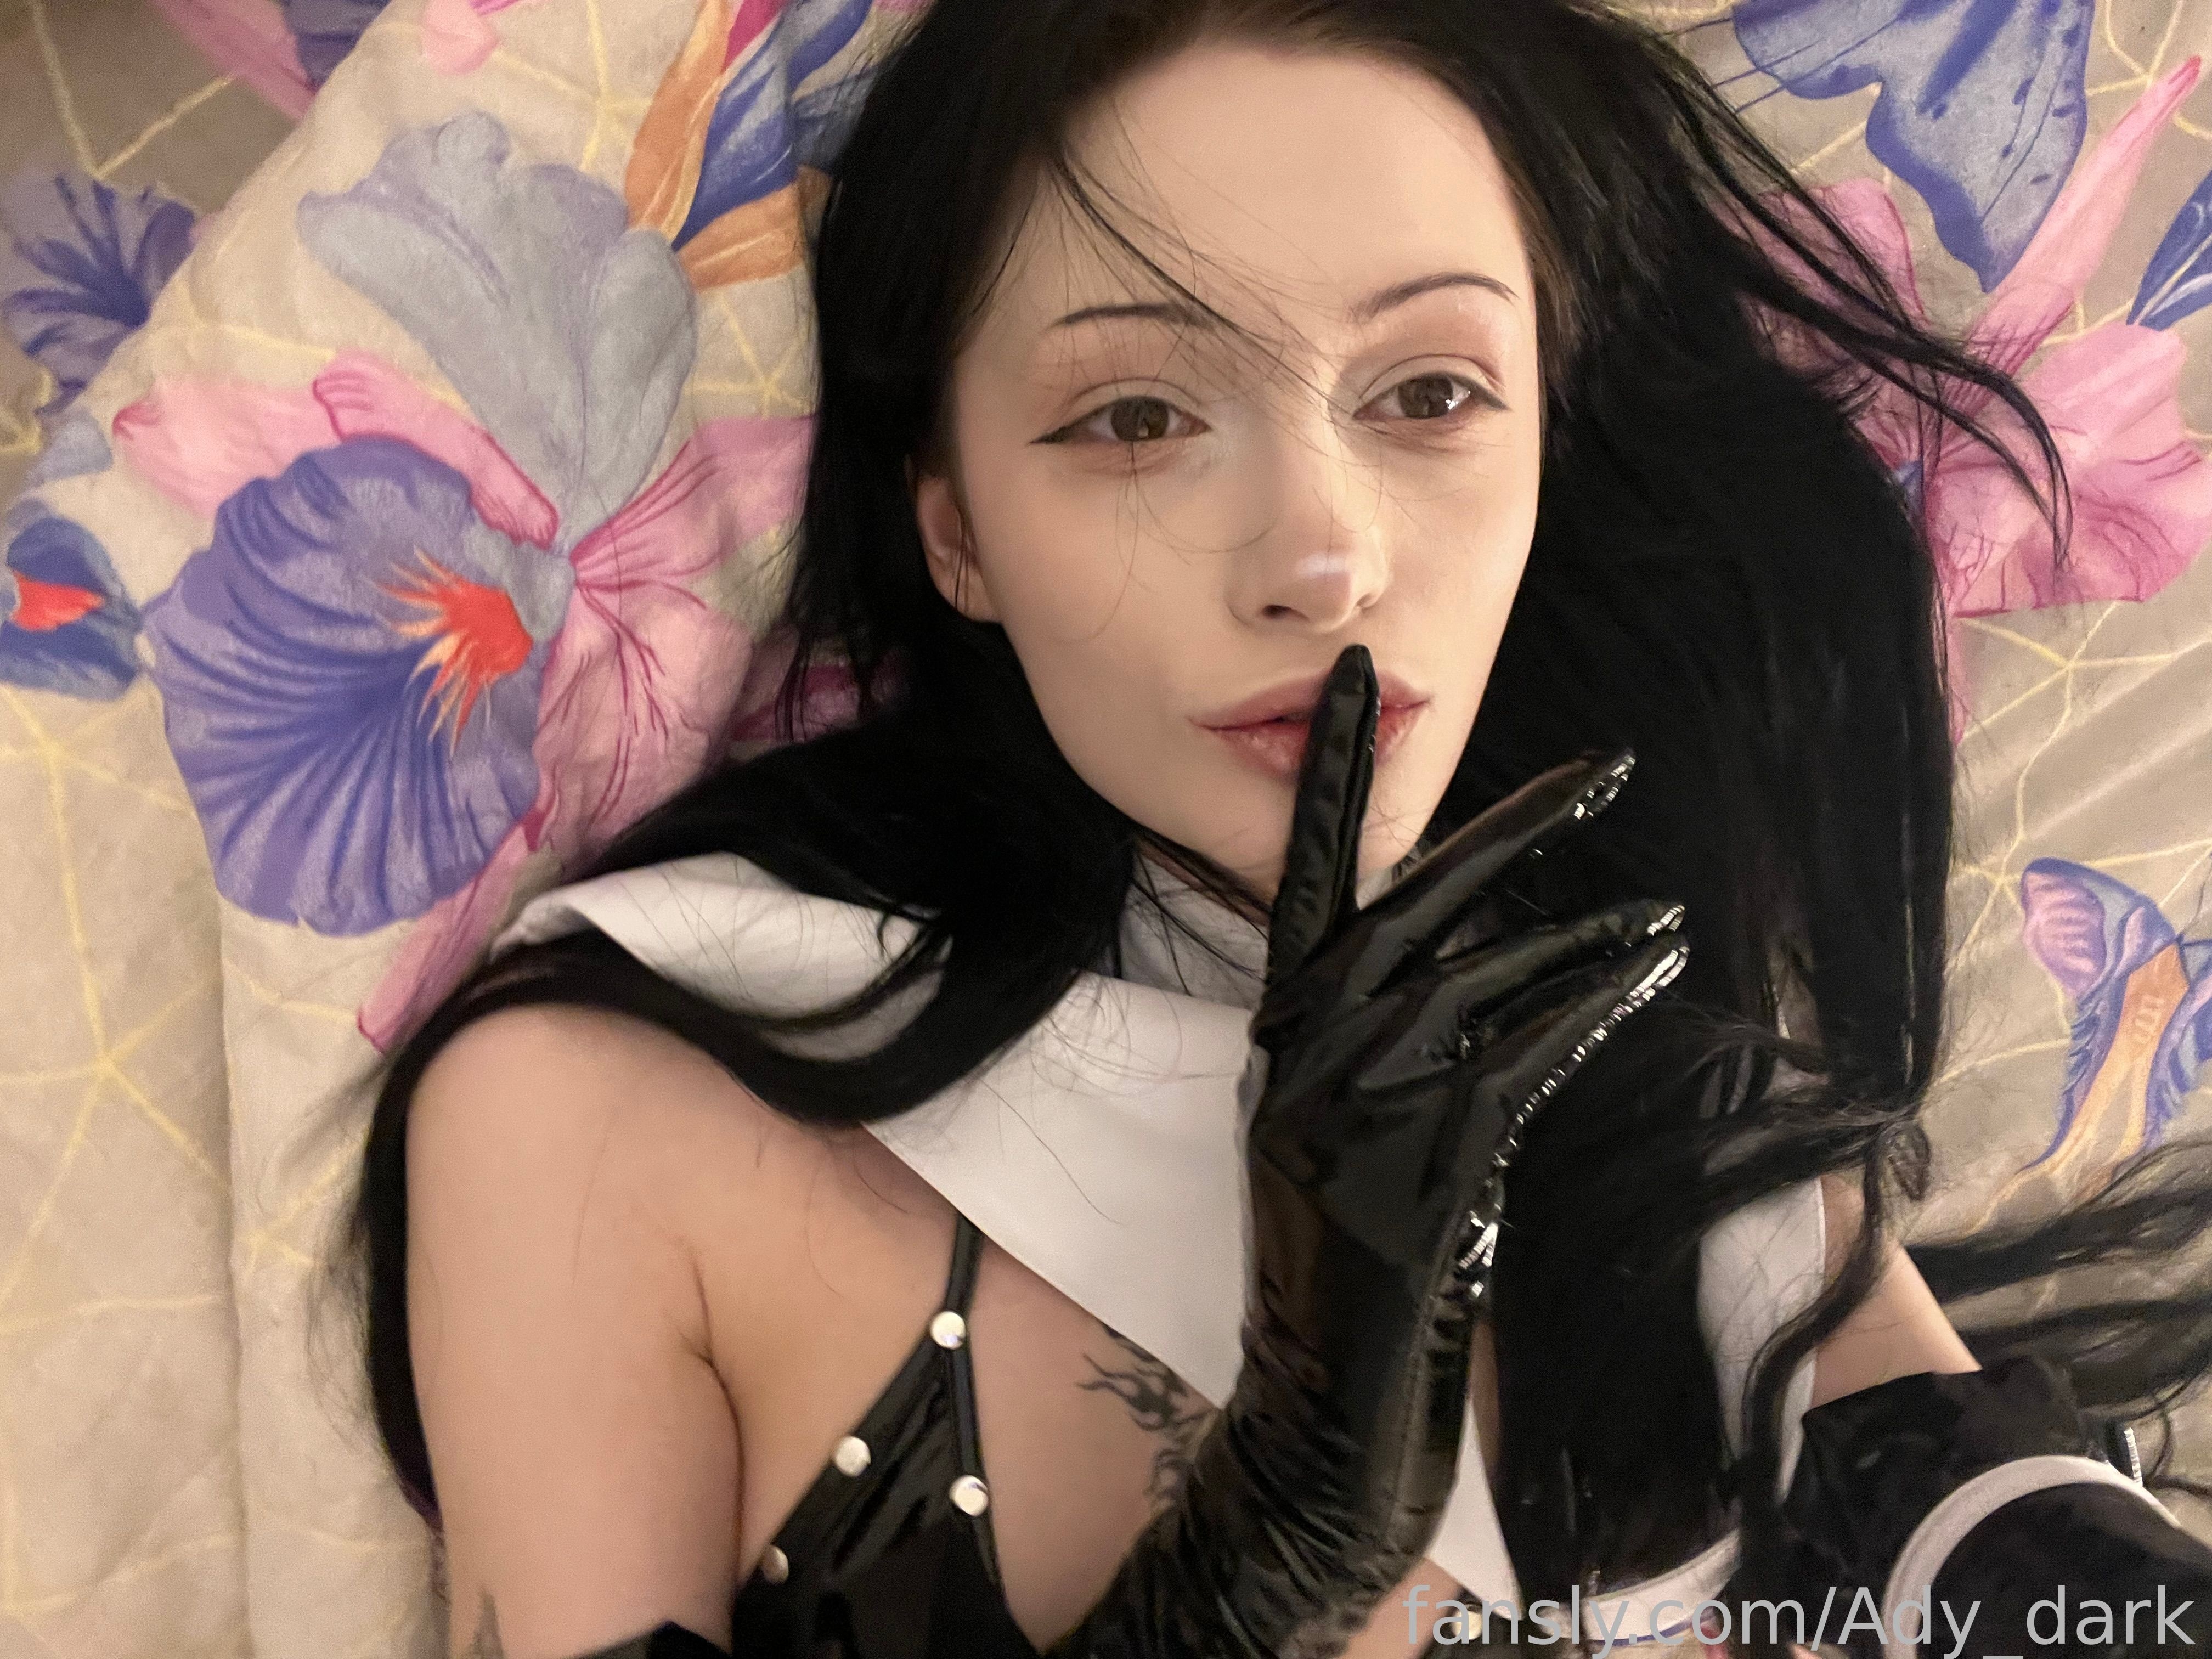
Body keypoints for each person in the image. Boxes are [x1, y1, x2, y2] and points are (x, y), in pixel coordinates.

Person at [330, 1, 2212, 1655]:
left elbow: (2017, 1573)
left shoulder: (1657, 1097)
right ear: (954, 529)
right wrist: (1272, 1548)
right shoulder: (608, 1113)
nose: (1323, 559)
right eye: (1137, 417)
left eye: (1432, 393)